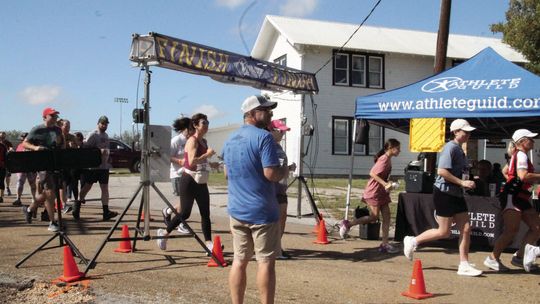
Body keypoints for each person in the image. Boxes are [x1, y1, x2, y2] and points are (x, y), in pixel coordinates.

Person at [222, 95, 289, 304]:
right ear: (251, 114)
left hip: (237, 209)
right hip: (262, 211)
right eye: (266, 110)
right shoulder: (264, 137)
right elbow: (271, 174)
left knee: (239, 261)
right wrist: (285, 169)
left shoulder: (230, 138)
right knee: (266, 262)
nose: (270, 114)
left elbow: (226, 173)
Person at [402, 119, 482, 276]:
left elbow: (458, 172)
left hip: (456, 193)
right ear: (455, 132)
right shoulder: (450, 148)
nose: (468, 134)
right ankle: (413, 241)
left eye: (469, 132)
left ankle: (464, 264)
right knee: (444, 232)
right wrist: (462, 182)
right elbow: (442, 171)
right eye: (465, 131)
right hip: (444, 193)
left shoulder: (459, 149)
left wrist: (469, 179)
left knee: (465, 228)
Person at [157, 113, 216, 251]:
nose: (207, 124)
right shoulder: (192, 141)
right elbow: (191, 161)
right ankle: (164, 233)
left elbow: (201, 161)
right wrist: (207, 155)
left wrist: (211, 163)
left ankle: (209, 244)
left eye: (207, 122)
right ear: (196, 125)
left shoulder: (204, 142)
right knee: (185, 213)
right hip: (188, 179)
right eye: (204, 122)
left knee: (205, 213)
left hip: (200, 180)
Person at [484, 129, 540, 272]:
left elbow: (506, 171)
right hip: (513, 197)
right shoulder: (520, 155)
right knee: (511, 230)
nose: (533, 140)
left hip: (520, 196)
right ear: (522, 141)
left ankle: (519, 257)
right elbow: (522, 175)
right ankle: (493, 258)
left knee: (537, 228)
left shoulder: (519, 155)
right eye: (530, 138)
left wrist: (511, 181)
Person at [339, 138, 401, 253]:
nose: (399, 151)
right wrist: (385, 184)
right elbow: (372, 173)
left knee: (387, 216)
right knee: (374, 217)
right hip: (374, 191)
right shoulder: (384, 159)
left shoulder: (388, 159)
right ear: (390, 148)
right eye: (397, 148)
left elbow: (383, 175)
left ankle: (385, 244)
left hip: (382, 192)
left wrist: (391, 182)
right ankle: (348, 224)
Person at [21, 107, 63, 232]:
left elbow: (61, 142)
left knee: (48, 193)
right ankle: (52, 222)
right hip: (42, 164)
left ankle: (29, 209)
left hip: (55, 163)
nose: (55, 118)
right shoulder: (37, 129)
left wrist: (62, 147)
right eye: (52, 115)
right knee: (50, 193)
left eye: (56, 116)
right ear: (45, 117)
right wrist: (35, 148)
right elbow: (25, 143)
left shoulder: (57, 129)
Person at [74, 116, 118, 221]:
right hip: (93, 167)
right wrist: (98, 151)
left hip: (104, 167)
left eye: (106, 124)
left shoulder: (106, 135)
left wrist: (108, 158)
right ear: (98, 123)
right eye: (102, 123)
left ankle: (106, 211)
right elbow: (85, 148)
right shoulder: (93, 134)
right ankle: (77, 205)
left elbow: (106, 149)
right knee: (87, 187)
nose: (104, 125)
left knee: (104, 188)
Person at [268, 119, 296, 259]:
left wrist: (289, 168)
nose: (283, 133)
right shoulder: (268, 146)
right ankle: (272, 247)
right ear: (271, 130)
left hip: (281, 188)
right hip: (272, 188)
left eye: (284, 131)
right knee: (275, 218)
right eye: (280, 131)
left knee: (282, 215)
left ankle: (277, 245)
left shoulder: (278, 147)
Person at [161, 116, 191, 234]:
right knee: (184, 202)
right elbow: (166, 156)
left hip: (188, 174)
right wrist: (179, 161)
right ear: (184, 129)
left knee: (185, 201)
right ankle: (181, 224)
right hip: (177, 174)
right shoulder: (176, 141)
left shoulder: (191, 140)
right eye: (190, 128)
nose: (192, 131)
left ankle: (167, 211)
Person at [13, 133, 37, 206]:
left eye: (24, 137)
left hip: (31, 168)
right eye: (22, 138)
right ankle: (18, 198)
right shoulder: (20, 146)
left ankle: (33, 199)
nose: (22, 139)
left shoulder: (32, 146)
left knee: (32, 184)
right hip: (21, 168)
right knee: (20, 182)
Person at [0, 132, 14, 197]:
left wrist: (10, 150)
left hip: (5, 164)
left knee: (6, 176)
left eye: (3, 137)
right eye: (1, 137)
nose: (2, 138)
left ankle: (7, 188)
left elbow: (11, 149)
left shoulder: (7, 143)